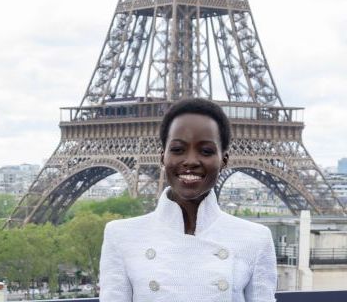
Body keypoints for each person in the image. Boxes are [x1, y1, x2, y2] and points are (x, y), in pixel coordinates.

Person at [99, 98, 277, 302]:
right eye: (177, 149)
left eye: (206, 151)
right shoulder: (120, 236)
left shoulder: (256, 240)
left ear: (224, 160)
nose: (191, 161)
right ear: (162, 157)